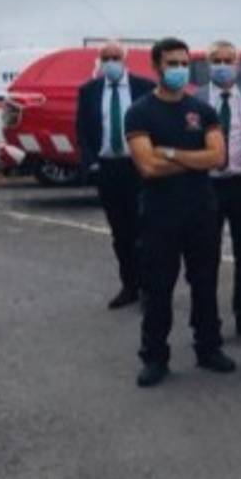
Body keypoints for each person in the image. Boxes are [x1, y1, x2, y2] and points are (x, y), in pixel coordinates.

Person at [123, 37, 235, 387]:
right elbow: (147, 167)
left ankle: (208, 348)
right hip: (160, 214)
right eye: (172, 64)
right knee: (158, 287)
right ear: (156, 66)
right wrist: (193, 159)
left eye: (184, 63)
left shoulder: (203, 111)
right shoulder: (139, 112)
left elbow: (218, 158)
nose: (179, 70)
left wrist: (170, 153)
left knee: (205, 282)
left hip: (201, 210)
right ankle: (155, 357)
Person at [193, 40, 241, 339]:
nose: (222, 66)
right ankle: (207, 323)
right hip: (207, 186)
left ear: (238, 65)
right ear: (209, 65)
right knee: (205, 257)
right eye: (216, 61)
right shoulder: (195, 101)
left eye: (228, 60)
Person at [75, 40, 154, 309]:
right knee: (120, 232)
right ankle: (129, 285)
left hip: (139, 166)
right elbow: (83, 132)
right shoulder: (89, 91)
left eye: (115, 56)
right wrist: (91, 164)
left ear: (125, 58)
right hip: (108, 169)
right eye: (105, 57)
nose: (110, 61)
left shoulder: (144, 88)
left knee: (143, 229)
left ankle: (148, 286)